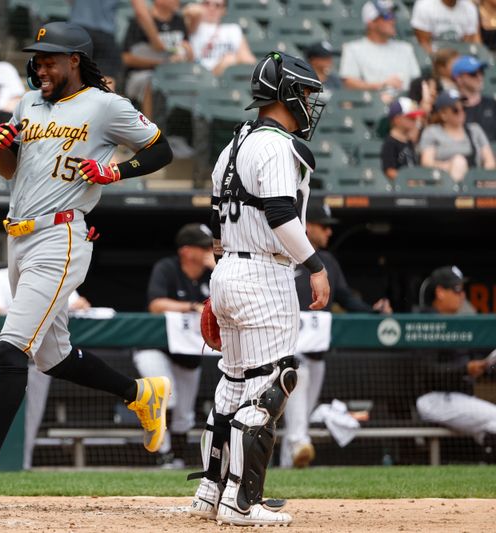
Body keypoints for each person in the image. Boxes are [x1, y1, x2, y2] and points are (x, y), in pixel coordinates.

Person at [0, 22, 175, 505]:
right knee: (53, 356)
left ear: (75, 62)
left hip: (62, 234)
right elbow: (12, 171)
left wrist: (115, 171)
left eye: (50, 59)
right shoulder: (27, 104)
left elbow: (160, 149)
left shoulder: (105, 105)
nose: (40, 66)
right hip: (19, 235)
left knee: (11, 347)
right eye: (37, 59)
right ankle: (141, 394)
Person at [188, 51, 330, 526]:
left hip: (229, 267)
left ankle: (211, 492)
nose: (310, 102)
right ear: (288, 93)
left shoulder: (234, 144)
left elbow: (214, 224)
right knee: (272, 384)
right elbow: (280, 215)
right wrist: (315, 264)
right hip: (265, 273)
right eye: (306, 93)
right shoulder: (272, 144)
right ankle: (240, 503)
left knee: (231, 387)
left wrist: (222, 284)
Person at [279, 201, 392, 469]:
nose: (329, 233)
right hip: (288, 347)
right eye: (324, 227)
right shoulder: (286, 253)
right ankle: (297, 443)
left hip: (317, 351)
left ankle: (287, 466)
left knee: (301, 414)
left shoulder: (327, 261)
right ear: (307, 226)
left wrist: (372, 312)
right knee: (299, 377)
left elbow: (344, 296)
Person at [0, 267, 90, 470]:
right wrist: (34, 315)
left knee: (31, 418)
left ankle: (21, 466)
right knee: (5, 411)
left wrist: (76, 306)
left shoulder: (54, 272)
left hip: (39, 361)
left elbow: (79, 304)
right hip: (1, 359)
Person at [134, 223, 215, 468]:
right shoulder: (167, 268)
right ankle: (163, 456)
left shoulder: (214, 274)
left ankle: (176, 459)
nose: (209, 251)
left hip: (188, 353)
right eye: (204, 247)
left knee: (184, 414)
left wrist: (218, 268)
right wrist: (191, 307)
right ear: (186, 251)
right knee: (166, 398)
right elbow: (156, 305)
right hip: (155, 347)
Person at [415, 266, 496, 453]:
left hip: (456, 398)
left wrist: (482, 366)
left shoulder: (454, 322)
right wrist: (465, 369)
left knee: (490, 428)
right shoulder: (426, 323)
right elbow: (426, 371)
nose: (462, 296)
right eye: (457, 290)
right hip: (432, 399)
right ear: (440, 292)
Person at [69, 0, 167, 88]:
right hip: (104, 33)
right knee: (105, 85)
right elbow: (140, 11)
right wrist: (157, 42)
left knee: (74, 80)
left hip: (77, 31)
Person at [122, 0, 193, 117]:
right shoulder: (140, 21)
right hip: (142, 75)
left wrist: (189, 52)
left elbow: (189, 57)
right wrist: (161, 63)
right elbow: (126, 58)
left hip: (174, 75)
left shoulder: (179, 21)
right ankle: (152, 131)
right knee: (152, 81)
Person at [338, 0, 420, 96]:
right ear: (371, 22)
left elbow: (416, 82)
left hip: (408, 105)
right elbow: (349, 84)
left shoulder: (406, 48)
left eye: (393, 15)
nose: (392, 20)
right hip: (374, 105)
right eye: (387, 16)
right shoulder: (353, 49)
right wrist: (382, 85)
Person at [418, 89, 495, 182]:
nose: (461, 112)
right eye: (455, 110)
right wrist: (450, 166)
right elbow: (427, 162)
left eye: (464, 108)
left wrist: (482, 178)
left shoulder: (475, 129)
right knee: (459, 162)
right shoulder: (432, 132)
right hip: (443, 183)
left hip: (475, 182)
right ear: (443, 114)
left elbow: (489, 160)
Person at [182, 0, 255, 76]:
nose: (211, 8)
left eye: (217, 5)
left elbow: (247, 58)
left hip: (225, 74)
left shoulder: (232, 29)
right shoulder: (193, 26)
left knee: (231, 60)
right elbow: (190, 14)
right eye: (207, 3)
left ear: (224, 10)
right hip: (197, 74)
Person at [452, 55, 496, 140]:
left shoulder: (492, 103)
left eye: (482, 72)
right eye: (473, 74)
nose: (480, 77)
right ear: (459, 79)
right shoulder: (452, 108)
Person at [381, 96, 426, 180]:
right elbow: (390, 171)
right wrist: (407, 180)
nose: (415, 121)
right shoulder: (390, 142)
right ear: (397, 119)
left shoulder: (409, 141)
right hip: (400, 188)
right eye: (411, 118)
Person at [411, 0, 480, 54]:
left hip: (460, 57)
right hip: (434, 57)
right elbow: (424, 43)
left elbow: (467, 44)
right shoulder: (424, 5)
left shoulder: (470, 7)